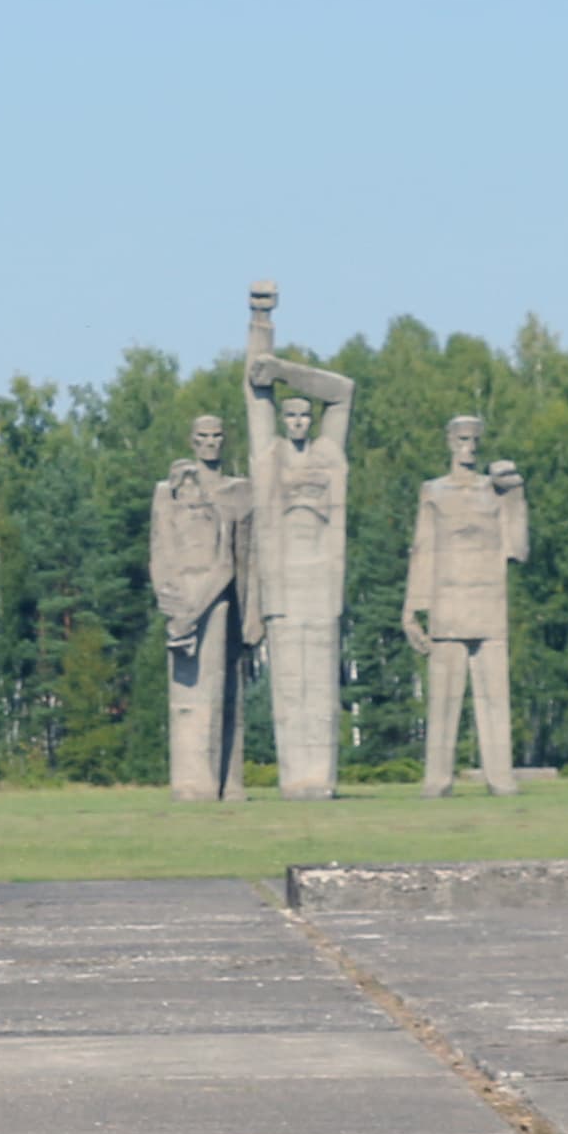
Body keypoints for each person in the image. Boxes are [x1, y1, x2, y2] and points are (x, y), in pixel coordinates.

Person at [241, 282, 355, 800]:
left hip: (321, 580)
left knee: (321, 688)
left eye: (305, 414)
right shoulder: (270, 457)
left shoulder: (330, 453)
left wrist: (286, 371)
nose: (298, 422)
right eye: (290, 415)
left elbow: (344, 391)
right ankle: (295, 780)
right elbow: (254, 388)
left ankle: (321, 780)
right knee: (291, 688)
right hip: (285, 581)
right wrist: (261, 323)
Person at [403, 416, 525, 797]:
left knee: (495, 700)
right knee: (442, 701)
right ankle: (438, 779)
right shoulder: (433, 491)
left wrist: (517, 495)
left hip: (489, 602)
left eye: (473, 440)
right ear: (448, 441)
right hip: (448, 602)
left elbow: (518, 549)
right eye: (461, 439)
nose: (467, 447)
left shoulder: (497, 492)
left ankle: (500, 778)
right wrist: (412, 609)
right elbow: (422, 550)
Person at [149, 416, 255, 802]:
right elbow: (159, 550)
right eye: (202, 437)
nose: (210, 443)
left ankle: (222, 781)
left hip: (218, 600)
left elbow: (240, 558)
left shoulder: (236, 492)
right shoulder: (167, 494)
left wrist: (203, 609)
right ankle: (190, 782)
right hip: (180, 600)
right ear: (192, 441)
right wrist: (171, 599)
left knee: (222, 692)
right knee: (186, 699)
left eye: (216, 437)